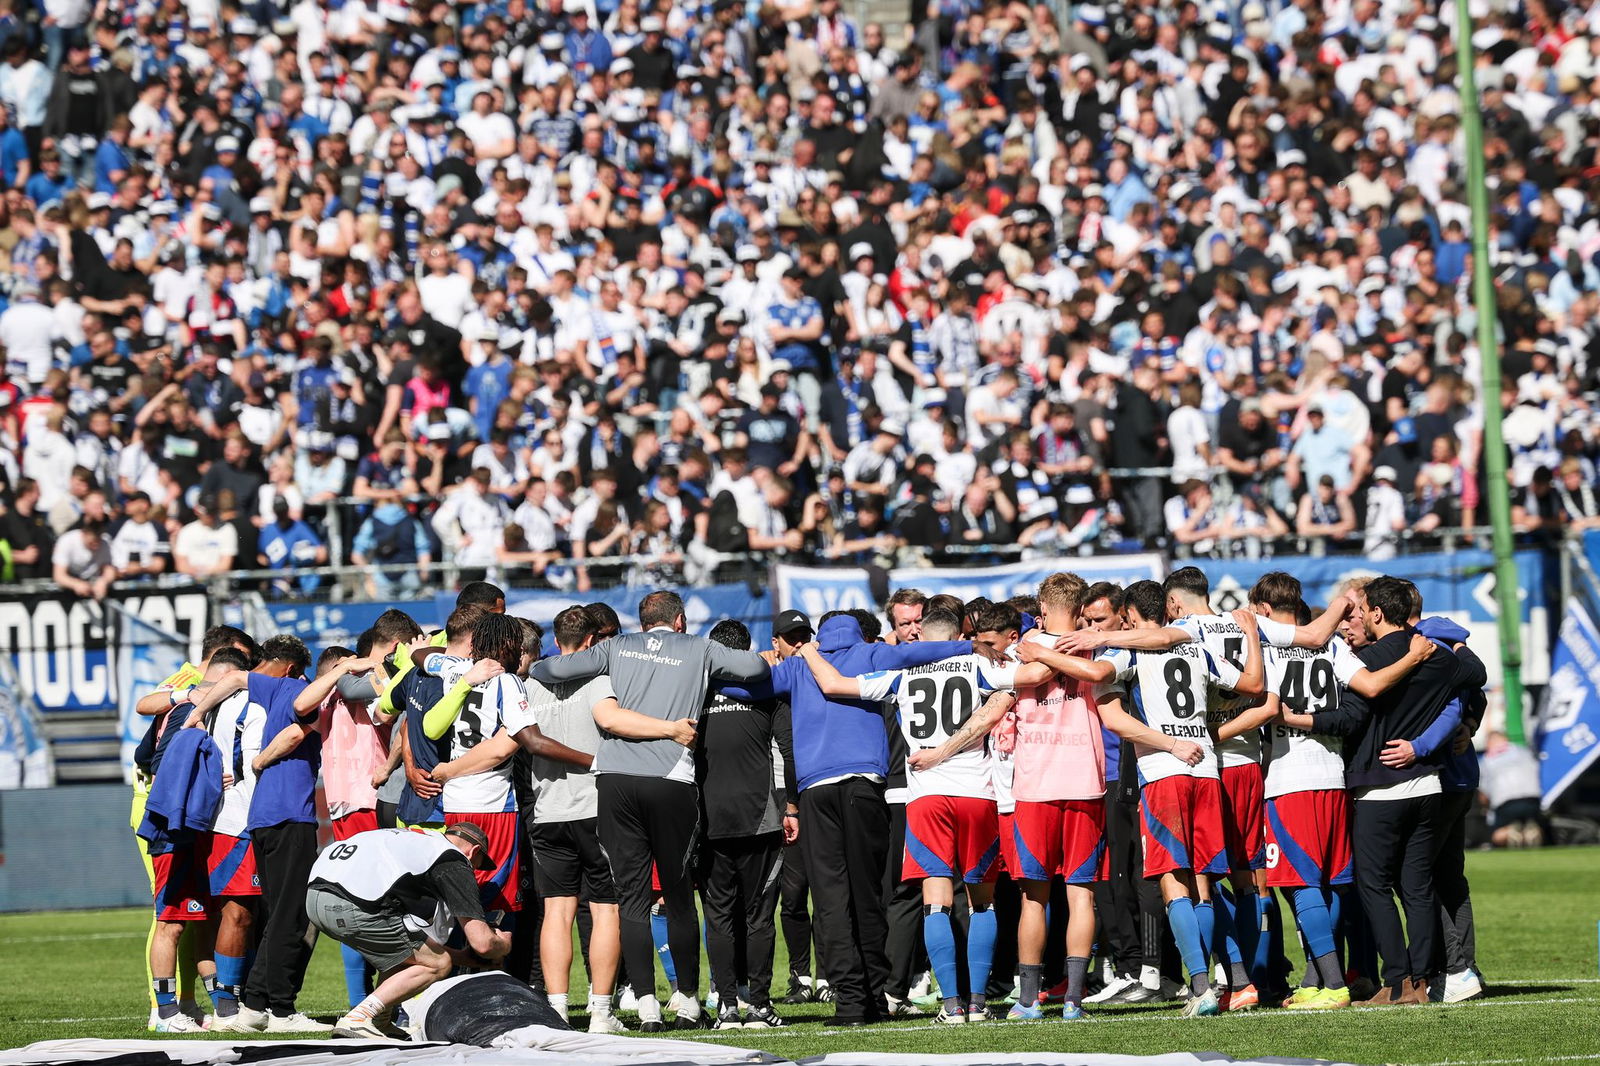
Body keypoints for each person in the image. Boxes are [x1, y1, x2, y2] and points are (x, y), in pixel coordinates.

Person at [527, 591, 772, 1031]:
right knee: (677, 896)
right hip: (670, 780)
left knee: (632, 899)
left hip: (615, 781)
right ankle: (688, 1000)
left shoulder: (614, 648)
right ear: (679, 620)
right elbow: (755, 668)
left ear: (642, 623)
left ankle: (645, 1005)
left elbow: (548, 668)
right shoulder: (700, 647)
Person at [1287, 577, 1481, 1006]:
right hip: (1429, 785)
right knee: (1417, 886)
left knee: (1374, 886)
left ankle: (1398, 984)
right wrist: (1456, 641)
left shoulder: (1366, 661)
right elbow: (1477, 675)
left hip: (1379, 788)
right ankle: (1426, 979)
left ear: (1375, 612)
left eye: (1363, 610)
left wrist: (1296, 718)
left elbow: (1348, 720)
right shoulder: (1432, 653)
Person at [1077, 580, 1260, 1018]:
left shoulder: (1125, 652)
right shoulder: (1195, 645)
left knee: (1172, 880)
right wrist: (1250, 635)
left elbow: (1107, 694)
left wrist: (1064, 648)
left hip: (1163, 772)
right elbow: (1253, 683)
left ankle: (1201, 987)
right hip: (1207, 768)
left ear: (1130, 615)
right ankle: (1240, 981)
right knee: (1204, 884)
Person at [304, 823, 513, 1039]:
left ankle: (380, 1021)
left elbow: (415, 947)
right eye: (477, 865)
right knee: (438, 964)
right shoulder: (453, 858)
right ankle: (359, 1017)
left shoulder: (414, 842)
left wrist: (463, 958)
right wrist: (504, 944)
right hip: (352, 904)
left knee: (407, 956)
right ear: (474, 851)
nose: (475, 871)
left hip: (314, 899)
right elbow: (483, 943)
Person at [695, 619, 795, 1030]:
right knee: (758, 916)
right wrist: (792, 808)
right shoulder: (767, 692)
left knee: (718, 917)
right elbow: (789, 751)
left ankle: (727, 1007)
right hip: (760, 818)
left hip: (707, 820)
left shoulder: (692, 694)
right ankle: (759, 1005)